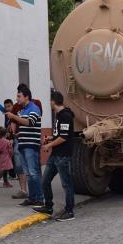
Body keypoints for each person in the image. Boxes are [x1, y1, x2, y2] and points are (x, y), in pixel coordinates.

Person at [33, 91, 77, 221]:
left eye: (50, 101)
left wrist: (49, 145)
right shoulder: (59, 115)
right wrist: (50, 138)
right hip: (55, 155)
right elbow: (60, 134)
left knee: (66, 184)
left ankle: (69, 211)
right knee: (45, 180)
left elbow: (64, 137)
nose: (49, 103)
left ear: (53, 101)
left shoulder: (66, 116)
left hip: (62, 156)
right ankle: (48, 206)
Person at [6, 84, 43, 206]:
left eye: (19, 96)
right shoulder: (22, 110)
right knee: (28, 174)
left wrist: (14, 116)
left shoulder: (34, 108)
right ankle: (32, 198)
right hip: (23, 145)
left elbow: (29, 122)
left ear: (26, 97)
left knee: (33, 173)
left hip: (31, 146)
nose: (17, 99)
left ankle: (39, 198)